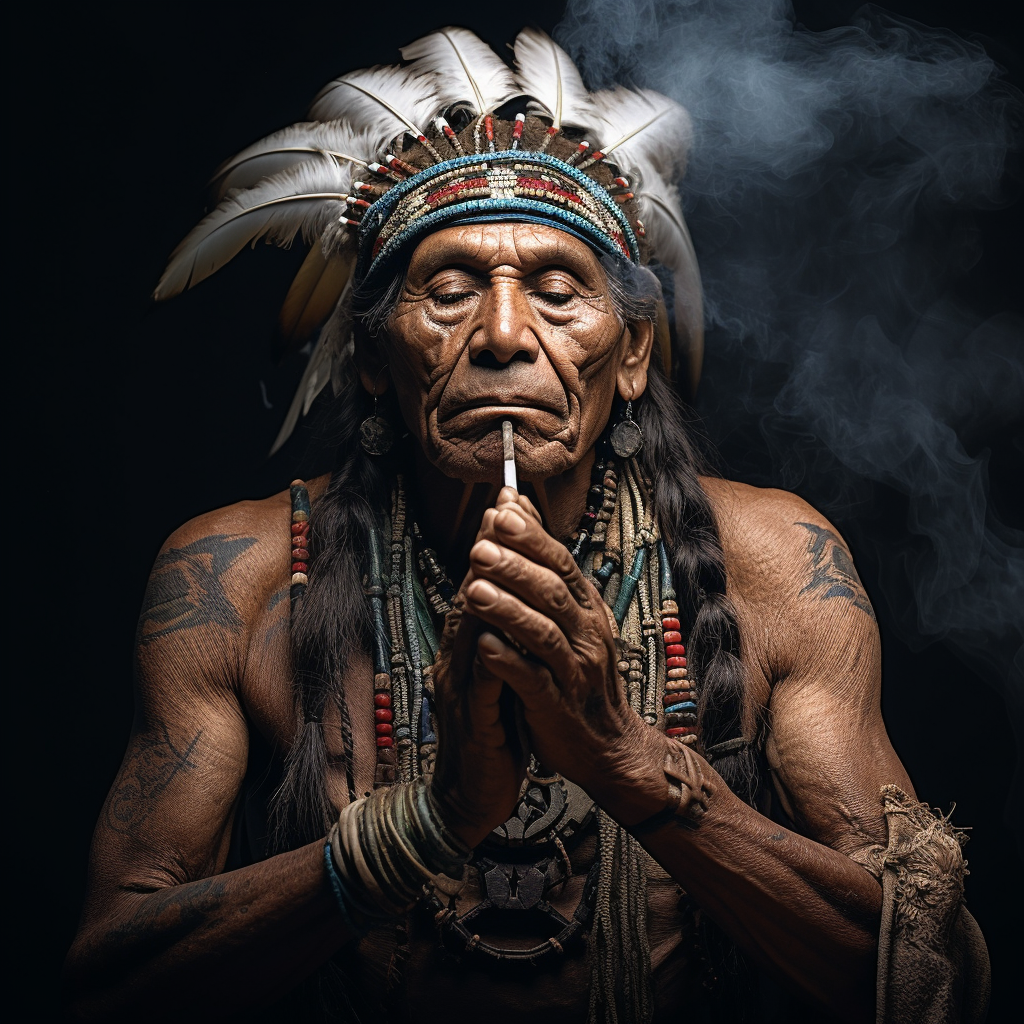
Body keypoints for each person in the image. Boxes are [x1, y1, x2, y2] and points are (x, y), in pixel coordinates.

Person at [63, 28, 989, 1024]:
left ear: (629, 355)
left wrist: (626, 762)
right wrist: (430, 823)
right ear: (375, 358)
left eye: (557, 292)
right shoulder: (236, 579)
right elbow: (110, 985)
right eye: (449, 290)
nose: (503, 336)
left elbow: (933, 983)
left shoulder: (772, 568)